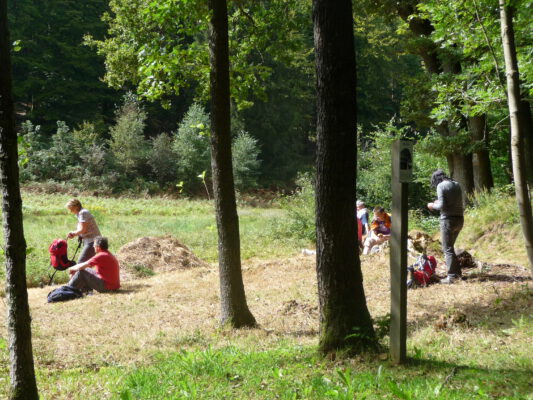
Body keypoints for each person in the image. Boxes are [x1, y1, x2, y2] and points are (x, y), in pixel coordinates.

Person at [427, 169, 464, 284]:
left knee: (447, 248)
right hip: (459, 219)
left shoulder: (441, 186)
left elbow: (442, 205)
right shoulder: (456, 184)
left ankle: (452, 277)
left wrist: (433, 205)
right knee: (450, 248)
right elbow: (452, 202)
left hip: (448, 220)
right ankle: (457, 274)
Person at [65, 198, 101, 263]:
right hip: (89, 241)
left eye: (71, 209)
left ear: (76, 207)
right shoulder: (79, 214)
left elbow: (83, 230)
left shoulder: (83, 213)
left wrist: (73, 233)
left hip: (93, 241)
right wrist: (75, 234)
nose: (71, 211)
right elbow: (82, 229)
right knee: (86, 263)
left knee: (81, 263)